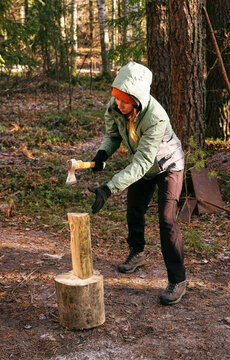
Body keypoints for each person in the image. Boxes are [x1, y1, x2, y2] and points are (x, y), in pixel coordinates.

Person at [88, 61, 187, 305]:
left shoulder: (156, 117)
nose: (118, 104)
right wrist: (102, 154)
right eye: (116, 98)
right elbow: (113, 136)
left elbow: (143, 162)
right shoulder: (115, 106)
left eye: (124, 101)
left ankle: (178, 279)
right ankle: (137, 253)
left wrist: (109, 187)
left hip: (168, 165)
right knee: (134, 210)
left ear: (137, 99)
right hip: (142, 164)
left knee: (166, 220)